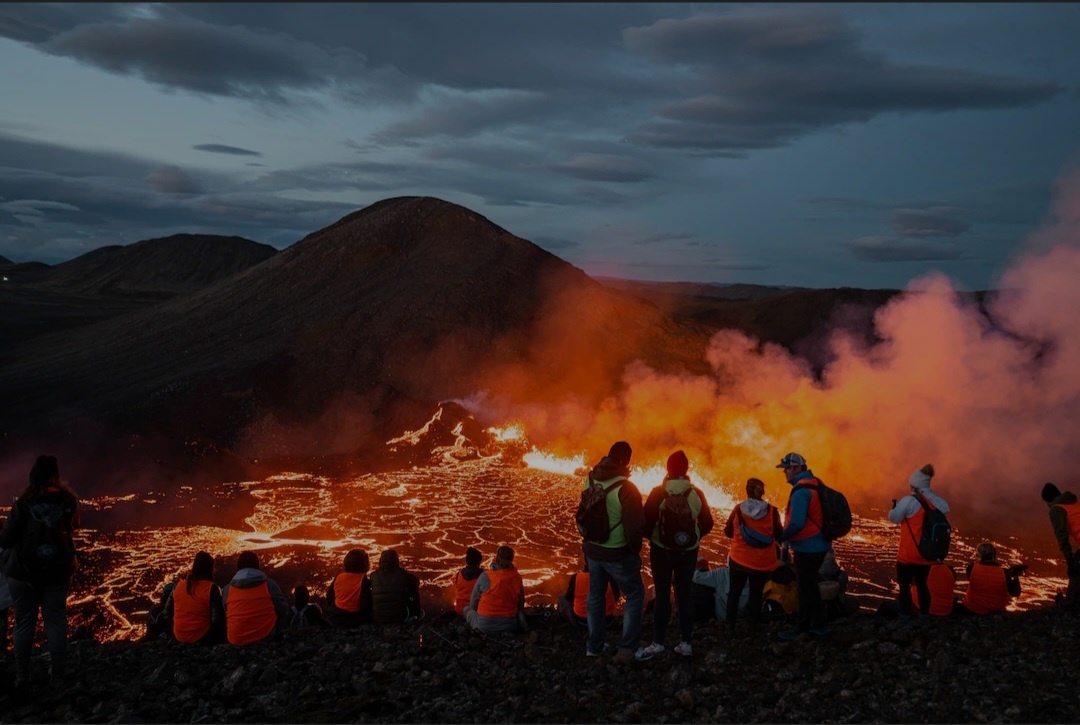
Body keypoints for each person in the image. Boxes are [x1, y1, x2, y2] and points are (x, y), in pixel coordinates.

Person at [0, 455, 80, 686]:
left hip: (23, 573)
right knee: (55, 621)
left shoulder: (23, 503)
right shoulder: (68, 501)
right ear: (56, 474)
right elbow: (74, 526)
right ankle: (58, 676)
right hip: (58, 572)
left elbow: (6, 539)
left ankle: (22, 676)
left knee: (24, 623)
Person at [638, 450, 713, 659]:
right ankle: (686, 643)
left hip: (661, 551)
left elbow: (646, 523)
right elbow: (708, 523)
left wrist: (656, 538)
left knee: (662, 594)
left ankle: (658, 643)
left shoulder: (658, 492)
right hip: (688, 552)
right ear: (686, 469)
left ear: (668, 468)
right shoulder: (697, 494)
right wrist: (691, 538)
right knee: (684, 594)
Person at [580, 441, 649, 664]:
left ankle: (594, 647)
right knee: (635, 594)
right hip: (617, 552)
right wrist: (634, 551)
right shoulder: (627, 488)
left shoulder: (590, 478)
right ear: (626, 461)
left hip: (592, 549)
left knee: (595, 595)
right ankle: (628, 648)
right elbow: (634, 527)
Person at [776, 452, 830, 640]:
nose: (785, 472)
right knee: (810, 585)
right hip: (819, 544)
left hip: (808, 547)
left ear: (797, 468)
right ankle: (819, 624)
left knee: (805, 588)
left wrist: (782, 536)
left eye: (787, 468)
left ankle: (802, 627)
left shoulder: (801, 491)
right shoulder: (815, 483)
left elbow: (797, 523)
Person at [887, 463, 950, 620]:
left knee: (904, 586)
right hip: (927, 554)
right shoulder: (937, 502)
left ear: (914, 485)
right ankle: (924, 615)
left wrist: (894, 508)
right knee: (922, 585)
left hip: (908, 555)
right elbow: (945, 509)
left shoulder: (909, 501)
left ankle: (904, 615)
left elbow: (894, 518)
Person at [722, 477, 782, 635]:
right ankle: (752, 628)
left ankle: (729, 627)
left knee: (734, 593)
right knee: (756, 594)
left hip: (739, 560)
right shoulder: (772, 511)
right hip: (762, 563)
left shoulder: (738, 509)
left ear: (747, 491)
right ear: (762, 492)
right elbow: (779, 534)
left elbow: (728, 532)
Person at [221, 550, 290, 646]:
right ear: (257, 567)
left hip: (236, 639)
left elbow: (225, 613)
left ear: (238, 568)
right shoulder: (269, 585)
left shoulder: (228, 590)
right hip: (266, 637)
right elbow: (284, 610)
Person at [164, 551, 224, 644]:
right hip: (202, 636)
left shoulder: (179, 586)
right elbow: (217, 619)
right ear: (210, 569)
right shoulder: (211, 588)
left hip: (179, 634)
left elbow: (167, 612)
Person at [464, 545, 527, 634]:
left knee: (466, 609)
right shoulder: (517, 578)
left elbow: (473, 602)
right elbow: (521, 603)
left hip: (483, 626)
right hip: (509, 625)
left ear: (497, 558)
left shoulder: (486, 576)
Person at [1041, 482, 1080, 611]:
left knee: (1076, 572)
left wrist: (1069, 560)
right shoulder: (1074, 502)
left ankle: (1069, 606)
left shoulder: (1057, 509)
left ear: (1048, 500)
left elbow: (1062, 536)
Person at [957, 543, 1023, 615]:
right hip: (996, 612)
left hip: (972, 609)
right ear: (994, 556)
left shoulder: (971, 568)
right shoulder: (1004, 573)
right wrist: (1015, 576)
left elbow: (982, 579)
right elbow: (1015, 593)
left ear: (979, 556)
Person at [558, 557, 620, 628]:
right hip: (607, 622)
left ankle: (562, 625)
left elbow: (569, 598)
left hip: (581, 622)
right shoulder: (609, 577)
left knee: (562, 600)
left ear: (585, 563)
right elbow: (616, 596)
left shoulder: (577, 577)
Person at [370, 549, 424, 623]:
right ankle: (417, 614)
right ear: (396, 560)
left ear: (380, 561)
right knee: (412, 587)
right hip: (400, 617)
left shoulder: (373, 575)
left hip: (377, 618)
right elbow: (416, 582)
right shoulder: (402, 574)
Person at [325, 549, 373, 628]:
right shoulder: (363, 580)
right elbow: (366, 602)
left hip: (336, 617)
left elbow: (329, 596)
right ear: (365, 564)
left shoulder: (339, 577)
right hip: (355, 619)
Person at [451, 546, 484, 617]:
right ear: (479, 561)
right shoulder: (483, 577)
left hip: (459, 610)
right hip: (475, 612)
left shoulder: (459, 574)